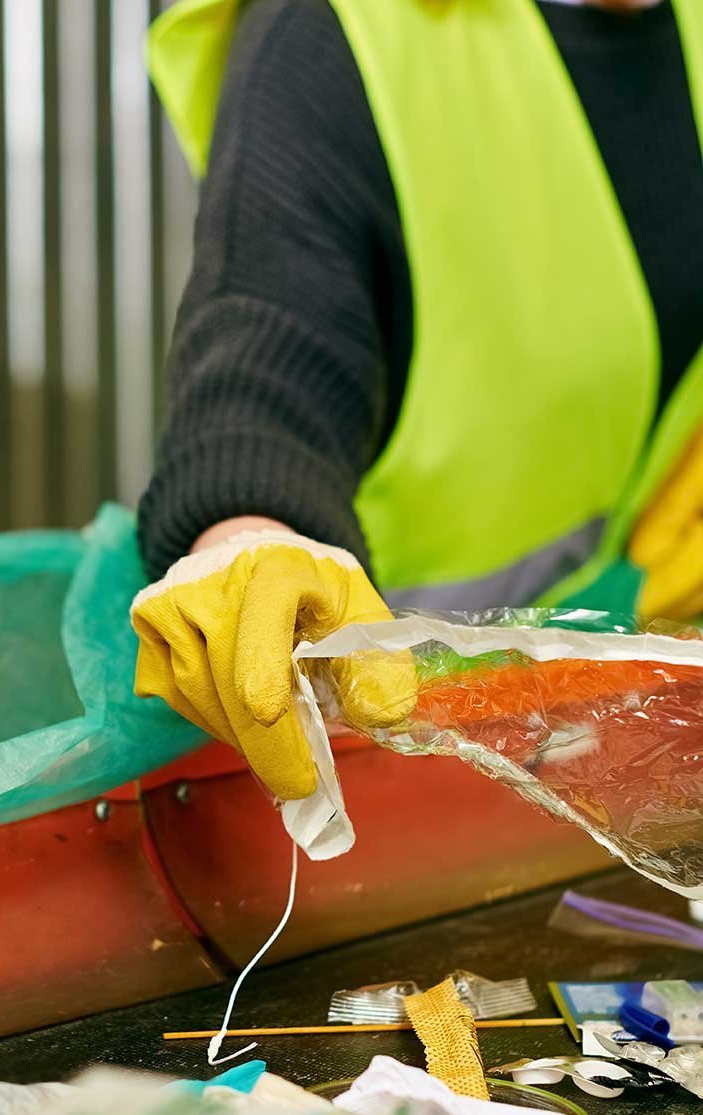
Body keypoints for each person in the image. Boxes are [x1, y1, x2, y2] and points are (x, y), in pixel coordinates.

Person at [131, 0, 703, 803]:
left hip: (620, 725)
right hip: (378, 744)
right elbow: (266, 345)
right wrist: (246, 539)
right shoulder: (337, 33)